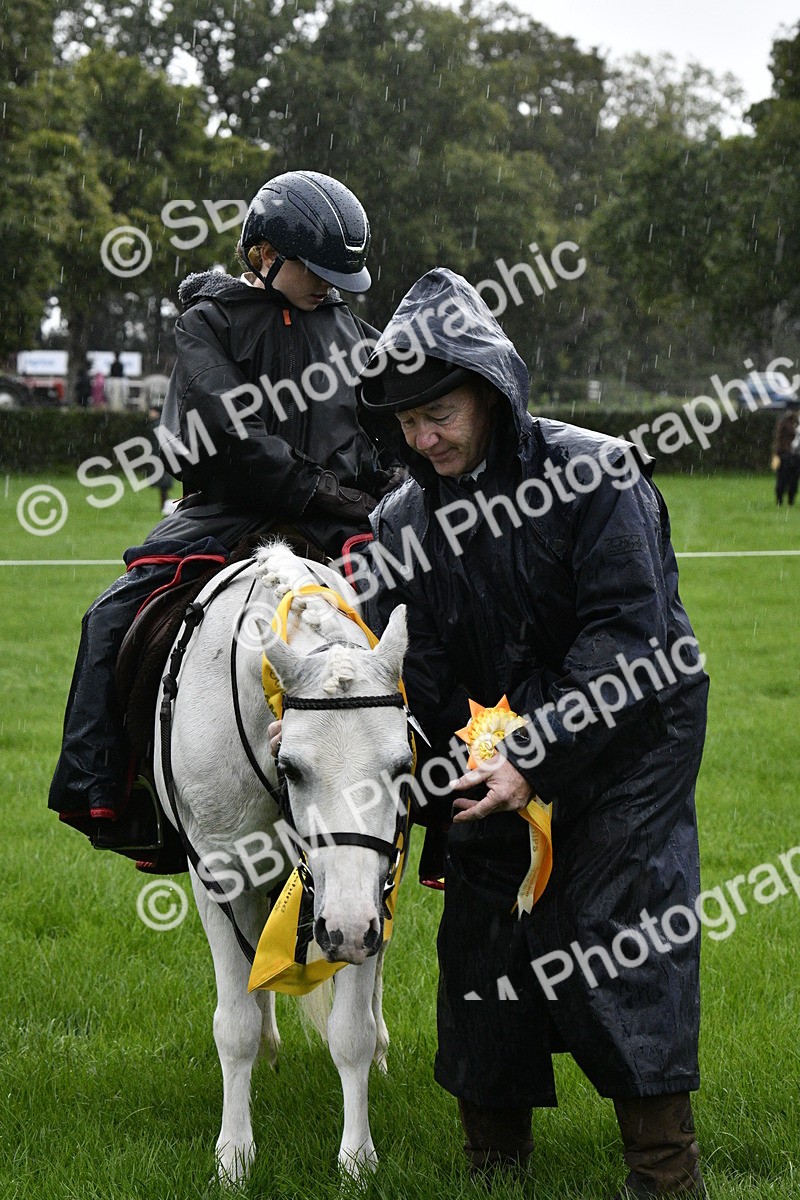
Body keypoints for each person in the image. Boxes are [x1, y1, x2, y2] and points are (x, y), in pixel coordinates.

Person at [356, 268, 709, 1198]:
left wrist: (535, 755)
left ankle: (664, 1171)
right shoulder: (400, 521)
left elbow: (630, 635)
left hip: (634, 742)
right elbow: (420, 674)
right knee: (482, 937)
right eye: (406, 424)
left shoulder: (595, 475)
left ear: (490, 391)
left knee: (614, 927)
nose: (424, 440)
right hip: (491, 754)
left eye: (440, 413)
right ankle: (493, 1165)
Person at [49, 170, 398, 857]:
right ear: (263, 254)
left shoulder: (361, 336)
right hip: (228, 513)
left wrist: (384, 496)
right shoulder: (207, 323)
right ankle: (112, 793)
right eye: (315, 270)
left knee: (436, 604)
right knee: (109, 618)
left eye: (339, 275)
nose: (328, 286)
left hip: (345, 520)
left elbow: (389, 433)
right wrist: (329, 494)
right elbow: (237, 438)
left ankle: (451, 799)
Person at [772, 403, 800, 506]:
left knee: (794, 480)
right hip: (785, 454)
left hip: (796, 455)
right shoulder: (784, 421)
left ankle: (790, 501)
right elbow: (778, 438)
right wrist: (776, 454)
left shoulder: (797, 421)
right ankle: (780, 500)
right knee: (782, 479)